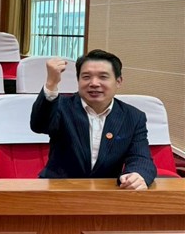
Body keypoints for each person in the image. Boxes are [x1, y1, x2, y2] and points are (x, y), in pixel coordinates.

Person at [30, 50, 156, 190]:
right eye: (86, 77)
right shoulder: (61, 106)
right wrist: (51, 83)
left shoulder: (133, 117)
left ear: (118, 81)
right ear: (78, 80)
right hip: (59, 190)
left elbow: (140, 157)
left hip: (106, 192)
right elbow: (39, 124)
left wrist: (137, 175)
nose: (94, 83)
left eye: (103, 77)